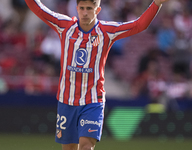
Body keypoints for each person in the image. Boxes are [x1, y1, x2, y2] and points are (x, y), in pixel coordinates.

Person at [25, 0, 169, 149]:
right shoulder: (65, 26)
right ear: (77, 9)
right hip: (67, 100)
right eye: (82, 8)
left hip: (92, 101)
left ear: (97, 10)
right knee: (69, 148)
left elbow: (139, 25)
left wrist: (157, 3)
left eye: (89, 8)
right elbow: (39, 9)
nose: (85, 12)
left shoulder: (107, 30)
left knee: (86, 147)